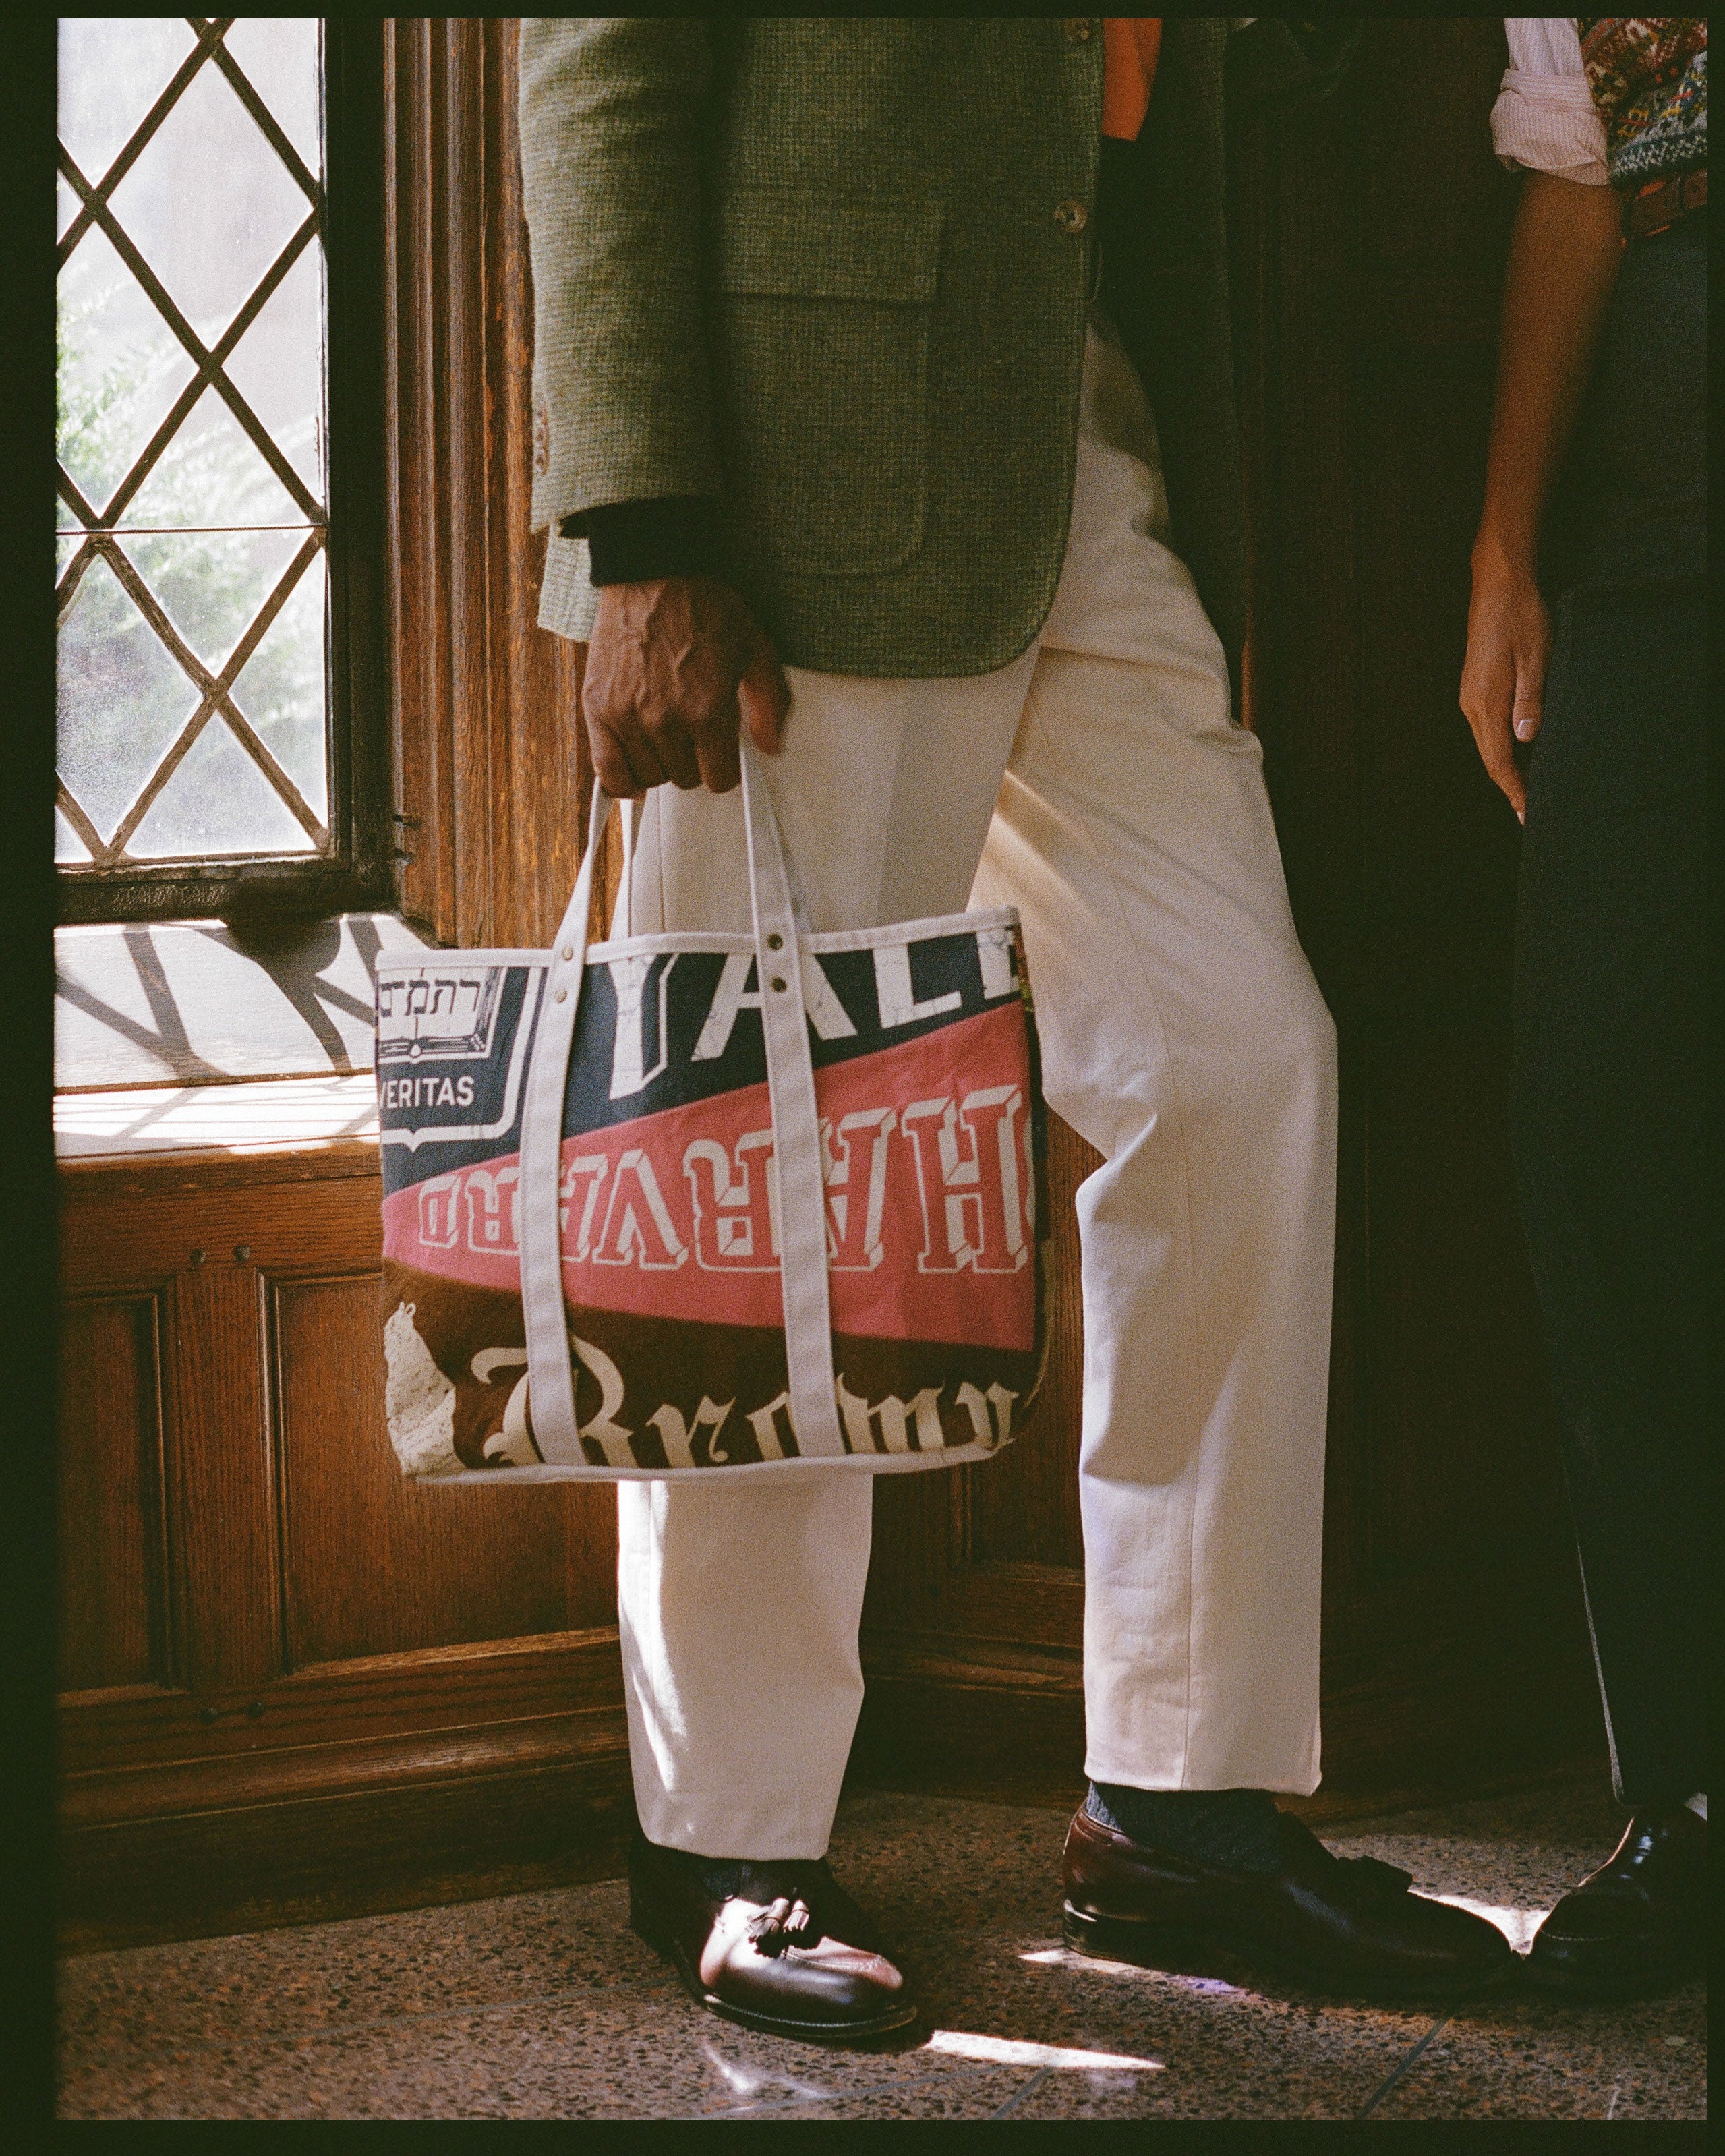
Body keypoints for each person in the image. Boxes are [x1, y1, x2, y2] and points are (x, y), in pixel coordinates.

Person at [520, 18, 1513, 2042]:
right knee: (765, 1148)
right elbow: (599, 62)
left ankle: (1183, 1803)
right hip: (792, 495)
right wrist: (644, 526)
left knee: (1240, 1061)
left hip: (1091, 436)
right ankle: (727, 1835)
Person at [1461, 17, 1705, 1998]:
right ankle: (1692, 1805)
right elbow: (1582, 173)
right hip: (1663, 512)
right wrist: (1511, 538)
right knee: (1606, 1127)